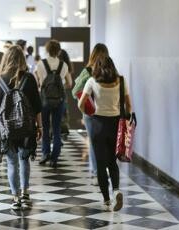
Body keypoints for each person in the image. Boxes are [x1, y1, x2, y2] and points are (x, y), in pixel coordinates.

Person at [0, 45, 43, 210]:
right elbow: (37, 106)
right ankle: (25, 194)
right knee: (24, 160)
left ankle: (15, 197)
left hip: (8, 129)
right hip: (26, 128)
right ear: (22, 59)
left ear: (6, 59)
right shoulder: (30, 78)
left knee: (12, 163)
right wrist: (39, 126)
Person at [78, 55, 132, 212]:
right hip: (116, 125)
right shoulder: (121, 81)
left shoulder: (92, 81)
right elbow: (128, 104)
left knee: (100, 164)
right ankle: (116, 191)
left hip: (98, 125)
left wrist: (89, 113)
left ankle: (107, 200)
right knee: (112, 161)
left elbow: (81, 104)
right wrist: (126, 119)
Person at [72, 43, 109, 186]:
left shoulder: (88, 71)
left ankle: (95, 173)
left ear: (93, 55)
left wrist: (84, 101)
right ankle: (105, 171)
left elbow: (75, 90)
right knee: (106, 142)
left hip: (91, 112)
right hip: (108, 111)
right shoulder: (111, 71)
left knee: (94, 143)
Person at [35, 39, 72, 167]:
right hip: (59, 100)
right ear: (59, 51)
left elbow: (39, 83)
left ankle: (45, 154)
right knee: (56, 129)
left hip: (44, 99)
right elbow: (69, 83)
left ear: (47, 50)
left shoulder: (40, 64)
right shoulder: (64, 65)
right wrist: (59, 87)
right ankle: (54, 157)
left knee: (45, 128)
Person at [58, 49, 74, 138]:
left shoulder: (54, 65)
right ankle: (64, 131)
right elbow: (70, 83)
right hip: (62, 93)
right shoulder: (65, 66)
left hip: (50, 94)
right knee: (63, 112)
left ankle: (53, 132)